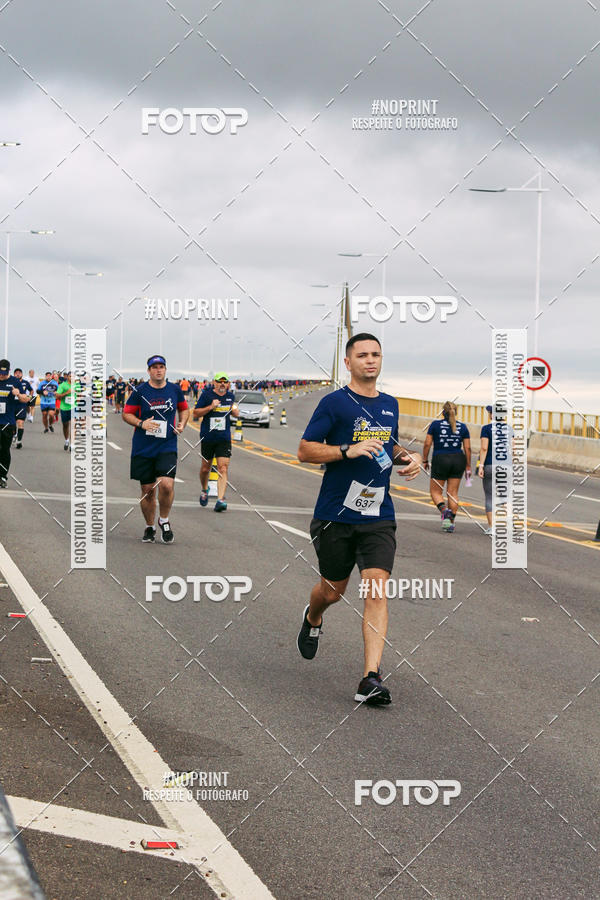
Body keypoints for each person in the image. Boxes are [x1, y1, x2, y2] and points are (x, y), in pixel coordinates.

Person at [296, 333, 421, 706]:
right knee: (332, 591)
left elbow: (388, 444)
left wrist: (408, 457)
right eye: (362, 355)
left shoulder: (389, 405)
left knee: (376, 588)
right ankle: (314, 616)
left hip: (378, 515)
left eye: (376, 354)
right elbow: (304, 451)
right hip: (335, 514)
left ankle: (371, 678)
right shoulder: (334, 404)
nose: (370, 360)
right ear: (348, 363)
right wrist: (347, 450)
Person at [123, 355, 189, 543]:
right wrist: (141, 423)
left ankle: (164, 520)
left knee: (167, 485)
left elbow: (184, 409)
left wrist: (183, 423)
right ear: (149, 371)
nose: (158, 370)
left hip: (166, 445)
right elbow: (126, 414)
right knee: (148, 490)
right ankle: (150, 526)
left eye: (161, 367)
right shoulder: (140, 391)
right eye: (154, 367)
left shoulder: (174, 390)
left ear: (166, 370)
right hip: (143, 447)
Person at [422, 401, 471, 533]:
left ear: (442, 412)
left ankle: (444, 511)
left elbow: (427, 444)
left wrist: (425, 459)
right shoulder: (463, 427)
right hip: (458, 459)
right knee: (453, 492)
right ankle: (450, 523)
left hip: (441, 458)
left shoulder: (435, 425)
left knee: (436, 491)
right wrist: (468, 466)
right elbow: (467, 448)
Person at [193, 372, 239, 512]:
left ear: (228, 384)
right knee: (205, 468)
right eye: (220, 381)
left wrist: (235, 411)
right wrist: (210, 407)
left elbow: (235, 412)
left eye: (225, 382)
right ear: (214, 383)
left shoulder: (230, 396)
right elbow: (195, 413)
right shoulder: (207, 395)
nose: (222, 384)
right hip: (208, 437)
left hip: (224, 438)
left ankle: (220, 499)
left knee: (223, 468)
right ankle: (204, 489)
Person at [0, 360, 31, 487]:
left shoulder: (15, 382)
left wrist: (18, 394)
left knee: (4, 451)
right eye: (0, 373)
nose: (2, 375)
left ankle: (2, 477)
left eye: (4, 373)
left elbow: (26, 399)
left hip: (7, 423)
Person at [11, 368, 33, 449]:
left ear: (22, 374)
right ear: (14, 374)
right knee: (12, 423)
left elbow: (31, 390)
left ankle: (19, 441)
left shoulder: (25, 382)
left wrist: (29, 396)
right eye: (16, 373)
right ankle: (14, 435)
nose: (17, 374)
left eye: (19, 373)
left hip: (21, 405)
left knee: (20, 422)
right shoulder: (11, 382)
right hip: (12, 405)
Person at [56, 372, 74, 451]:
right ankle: (67, 440)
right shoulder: (63, 385)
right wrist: (67, 393)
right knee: (65, 425)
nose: (72, 378)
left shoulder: (77, 385)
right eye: (70, 376)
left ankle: (72, 444)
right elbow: (57, 396)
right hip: (64, 408)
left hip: (74, 408)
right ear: (67, 377)